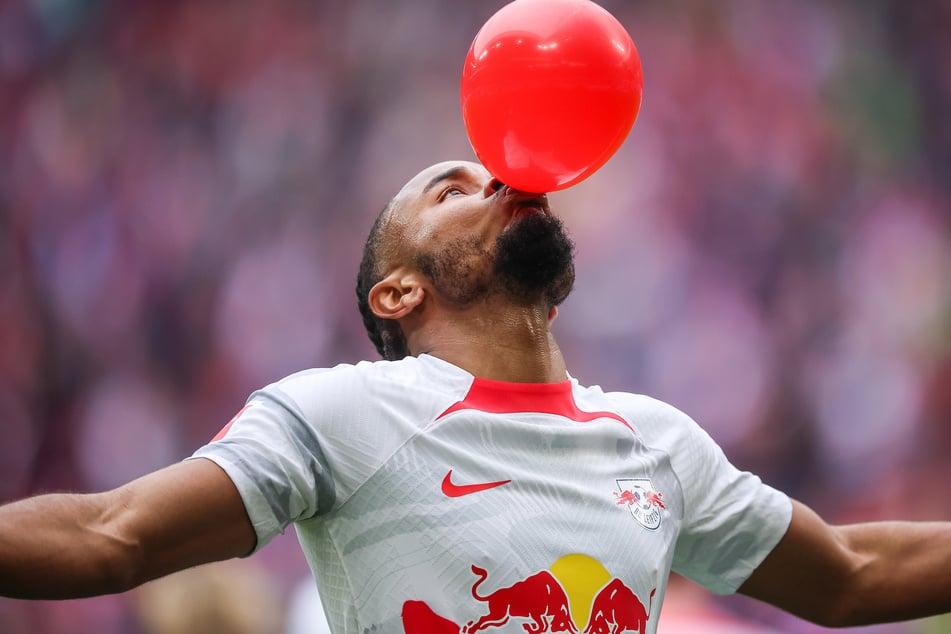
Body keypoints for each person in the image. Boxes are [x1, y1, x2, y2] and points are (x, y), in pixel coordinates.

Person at [1, 160, 949, 634]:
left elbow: (851, 572)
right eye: (452, 189)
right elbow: (110, 533)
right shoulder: (340, 414)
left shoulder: (658, 441)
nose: (497, 176)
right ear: (398, 292)